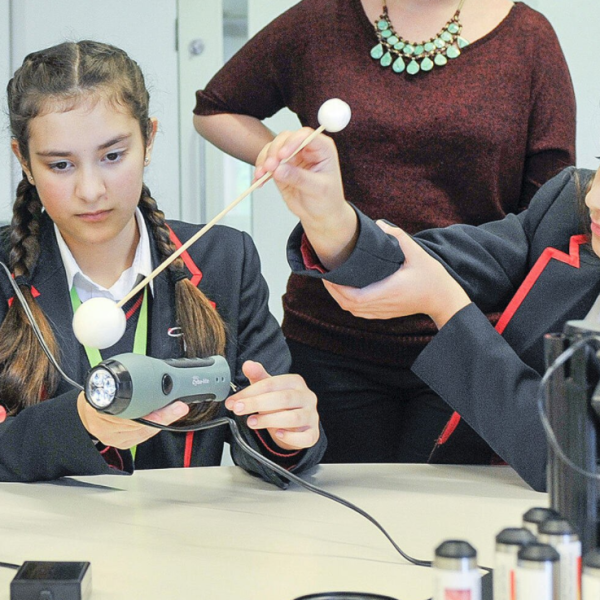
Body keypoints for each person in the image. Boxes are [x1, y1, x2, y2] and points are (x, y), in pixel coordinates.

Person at [192, 0, 576, 464]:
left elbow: (546, 211)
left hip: (466, 338)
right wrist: (283, 162)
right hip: (330, 338)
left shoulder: (529, 38)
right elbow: (215, 109)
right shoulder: (319, 20)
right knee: (328, 527)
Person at [0, 40, 325, 485]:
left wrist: (287, 433)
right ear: (24, 161)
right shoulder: (5, 275)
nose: (91, 190)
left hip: (188, 542)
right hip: (43, 546)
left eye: (113, 156)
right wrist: (81, 424)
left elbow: (269, 445)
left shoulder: (223, 260)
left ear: (148, 139)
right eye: (60, 165)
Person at [253, 127, 598, 491]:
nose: (594, 199)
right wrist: (332, 222)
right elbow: (449, 258)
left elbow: (568, 459)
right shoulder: (568, 203)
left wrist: (445, 304)